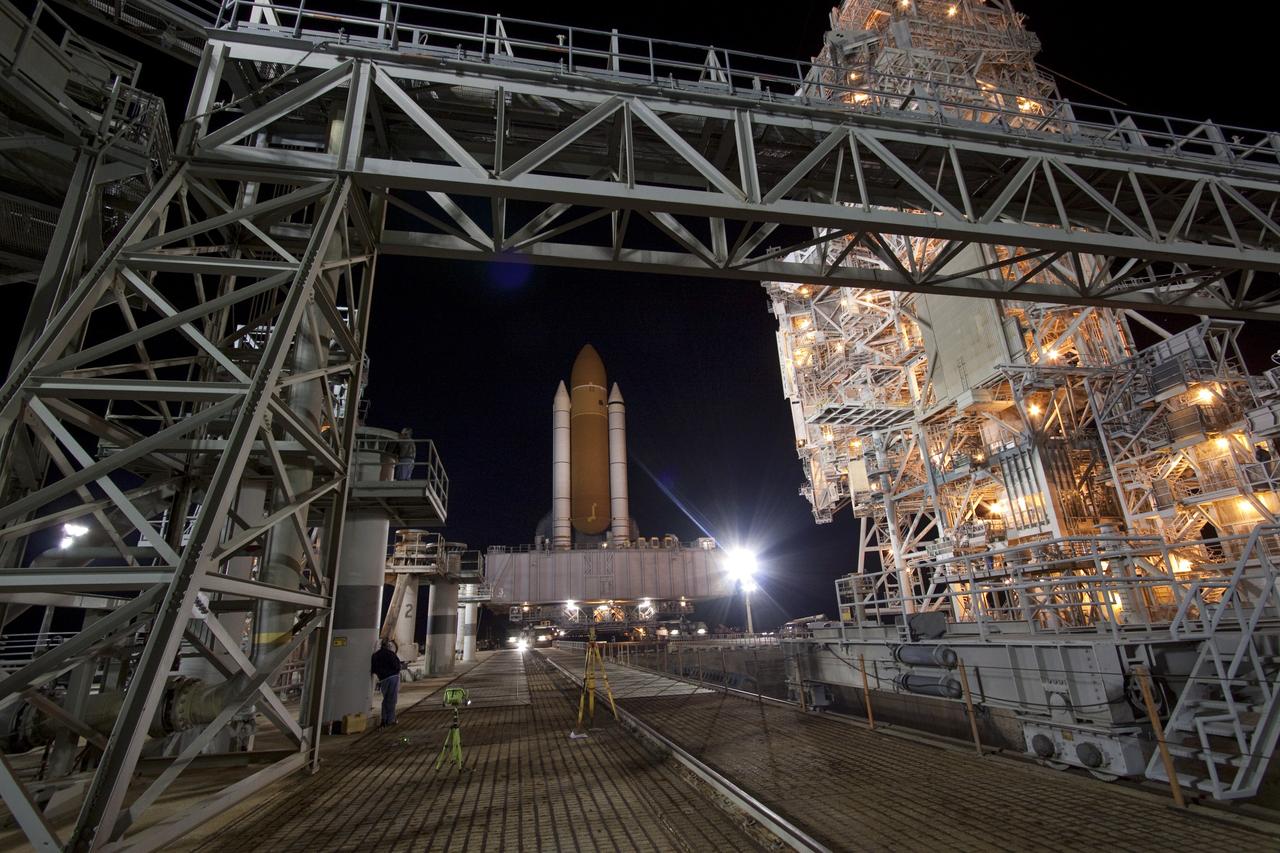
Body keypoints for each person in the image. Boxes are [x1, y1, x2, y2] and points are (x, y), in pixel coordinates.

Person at [370, 640, 403, 726]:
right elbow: (397, 665)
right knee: (392, 699)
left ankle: (384, 719)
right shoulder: (391, 654)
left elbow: (374, 669)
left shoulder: (375, 655)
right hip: (393, 677)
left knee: (385, 699)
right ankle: (390, 719)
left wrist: (381, 674)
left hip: (383, 679)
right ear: (388, 646)